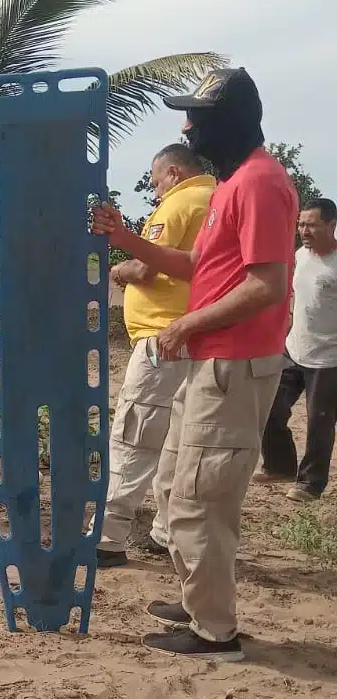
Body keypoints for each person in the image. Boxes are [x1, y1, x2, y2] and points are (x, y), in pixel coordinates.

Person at [91, 67, 297, 661]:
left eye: (196, 117)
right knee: (177, 484)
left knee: (204, 497)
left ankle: (215, 631)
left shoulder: (258, 183)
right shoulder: (231, 185)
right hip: (209, 364)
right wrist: (125, 237)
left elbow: (265, 286)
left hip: (232, 366)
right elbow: (197, 269)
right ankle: (198, 600)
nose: (187, 127)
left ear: (225, 122)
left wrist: (186, 323)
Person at [97, 145, 215, 566]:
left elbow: (146, 267)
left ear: (175, 173)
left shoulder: (179, 204)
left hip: (163, 335)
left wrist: (118, 270)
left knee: (135, 432)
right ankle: (166, 531)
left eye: (156, 180)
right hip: (198, 336)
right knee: (176, 441)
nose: (155, 188)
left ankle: (107, 536)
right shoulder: (216, 200)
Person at [259, 196, 337, 501]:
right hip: (293, 348)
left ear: (331, 226)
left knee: (320, 421)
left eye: (311, 225)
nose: (304, 230)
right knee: (269, 406)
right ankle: (280, 466)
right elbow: (293, 299)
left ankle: (310, 484)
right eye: (301, 224)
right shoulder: (300, 256)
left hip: (329, 357)